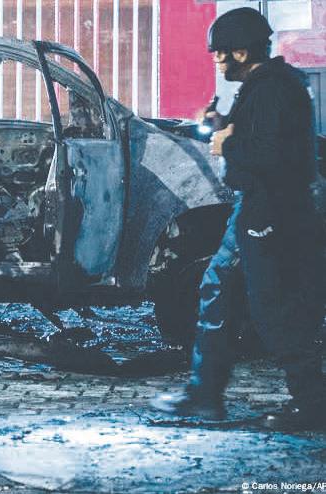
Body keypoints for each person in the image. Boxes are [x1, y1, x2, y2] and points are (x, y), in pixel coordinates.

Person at [150, 7, 326, 431]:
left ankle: (312, 404)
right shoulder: (269, 86)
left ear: (241, 52)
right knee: (218, 290)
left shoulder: (271, 90)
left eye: (220, 53)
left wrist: (225, 144)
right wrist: (222, 124)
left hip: (273, 213)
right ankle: (204, 395)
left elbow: (269, 156)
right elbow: (263, 137)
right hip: (256, 210)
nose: (216, 60)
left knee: (275, 308)